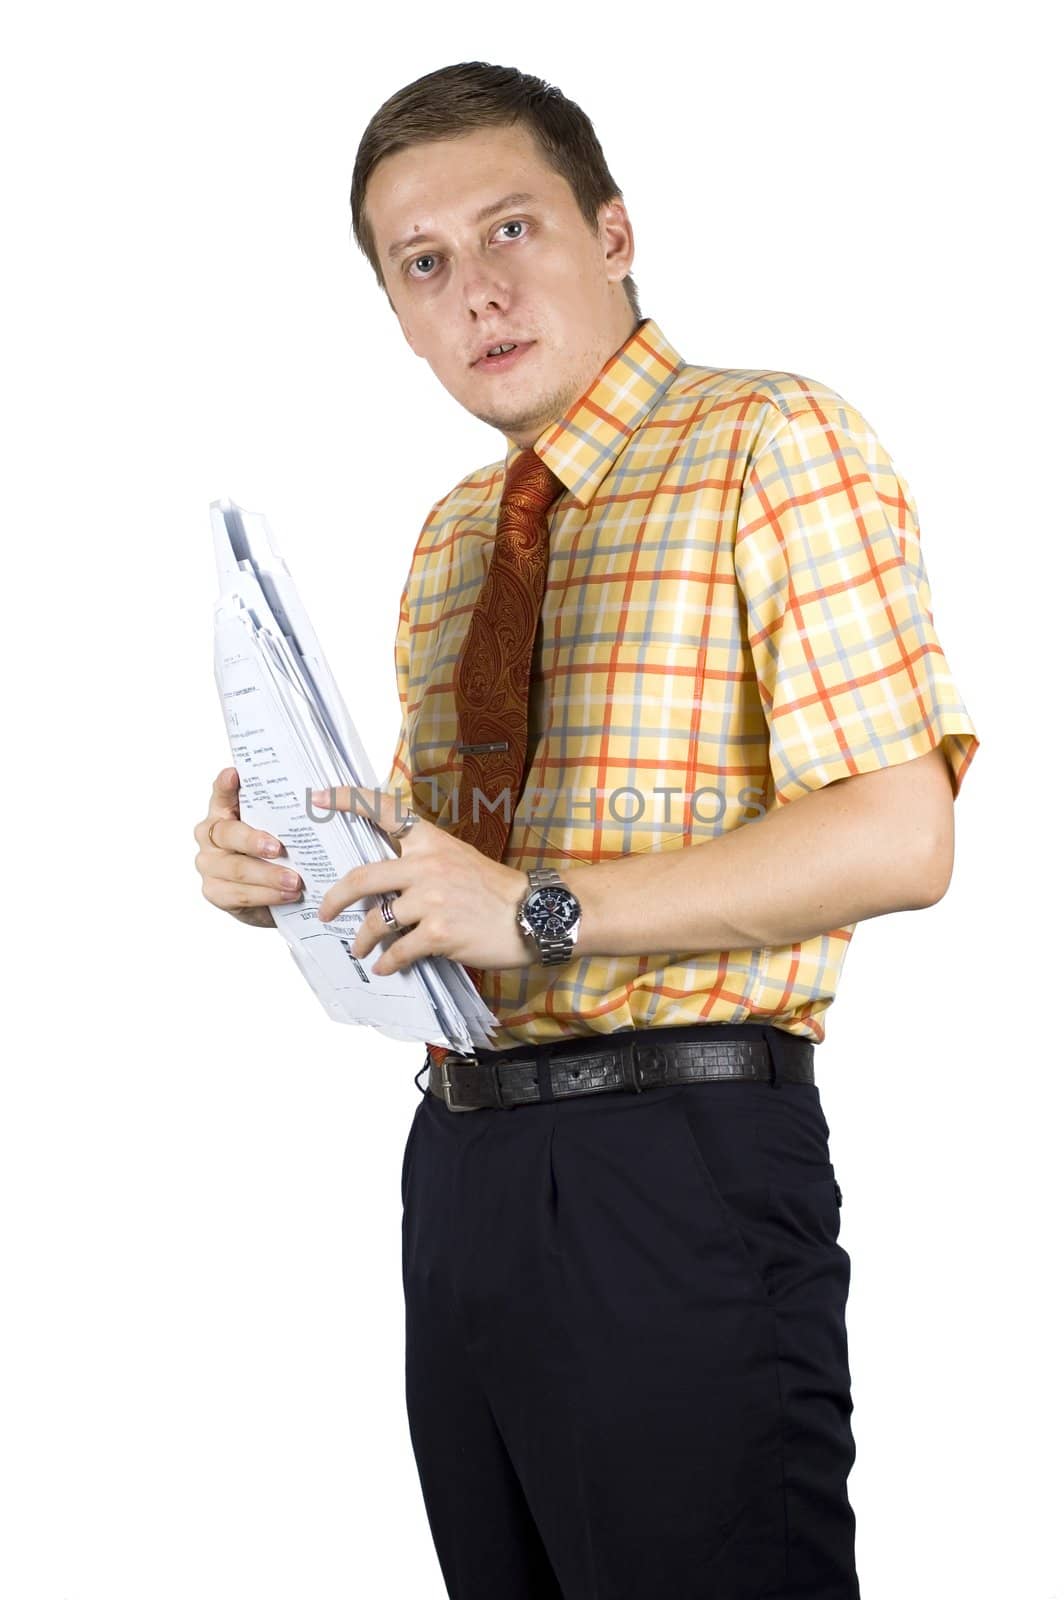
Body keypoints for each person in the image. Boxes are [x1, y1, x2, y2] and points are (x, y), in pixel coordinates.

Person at [193, 60, 980, 1600]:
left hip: (675, 1169)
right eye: (424, 266)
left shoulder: (773, 439)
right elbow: (456, 878)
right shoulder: (457, 534)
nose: (475, 291)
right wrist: (290, 873)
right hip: (464, 1164)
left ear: (612, 230)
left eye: (512, 231)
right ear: (398, 312)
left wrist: (542, 911)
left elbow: (904, 834)